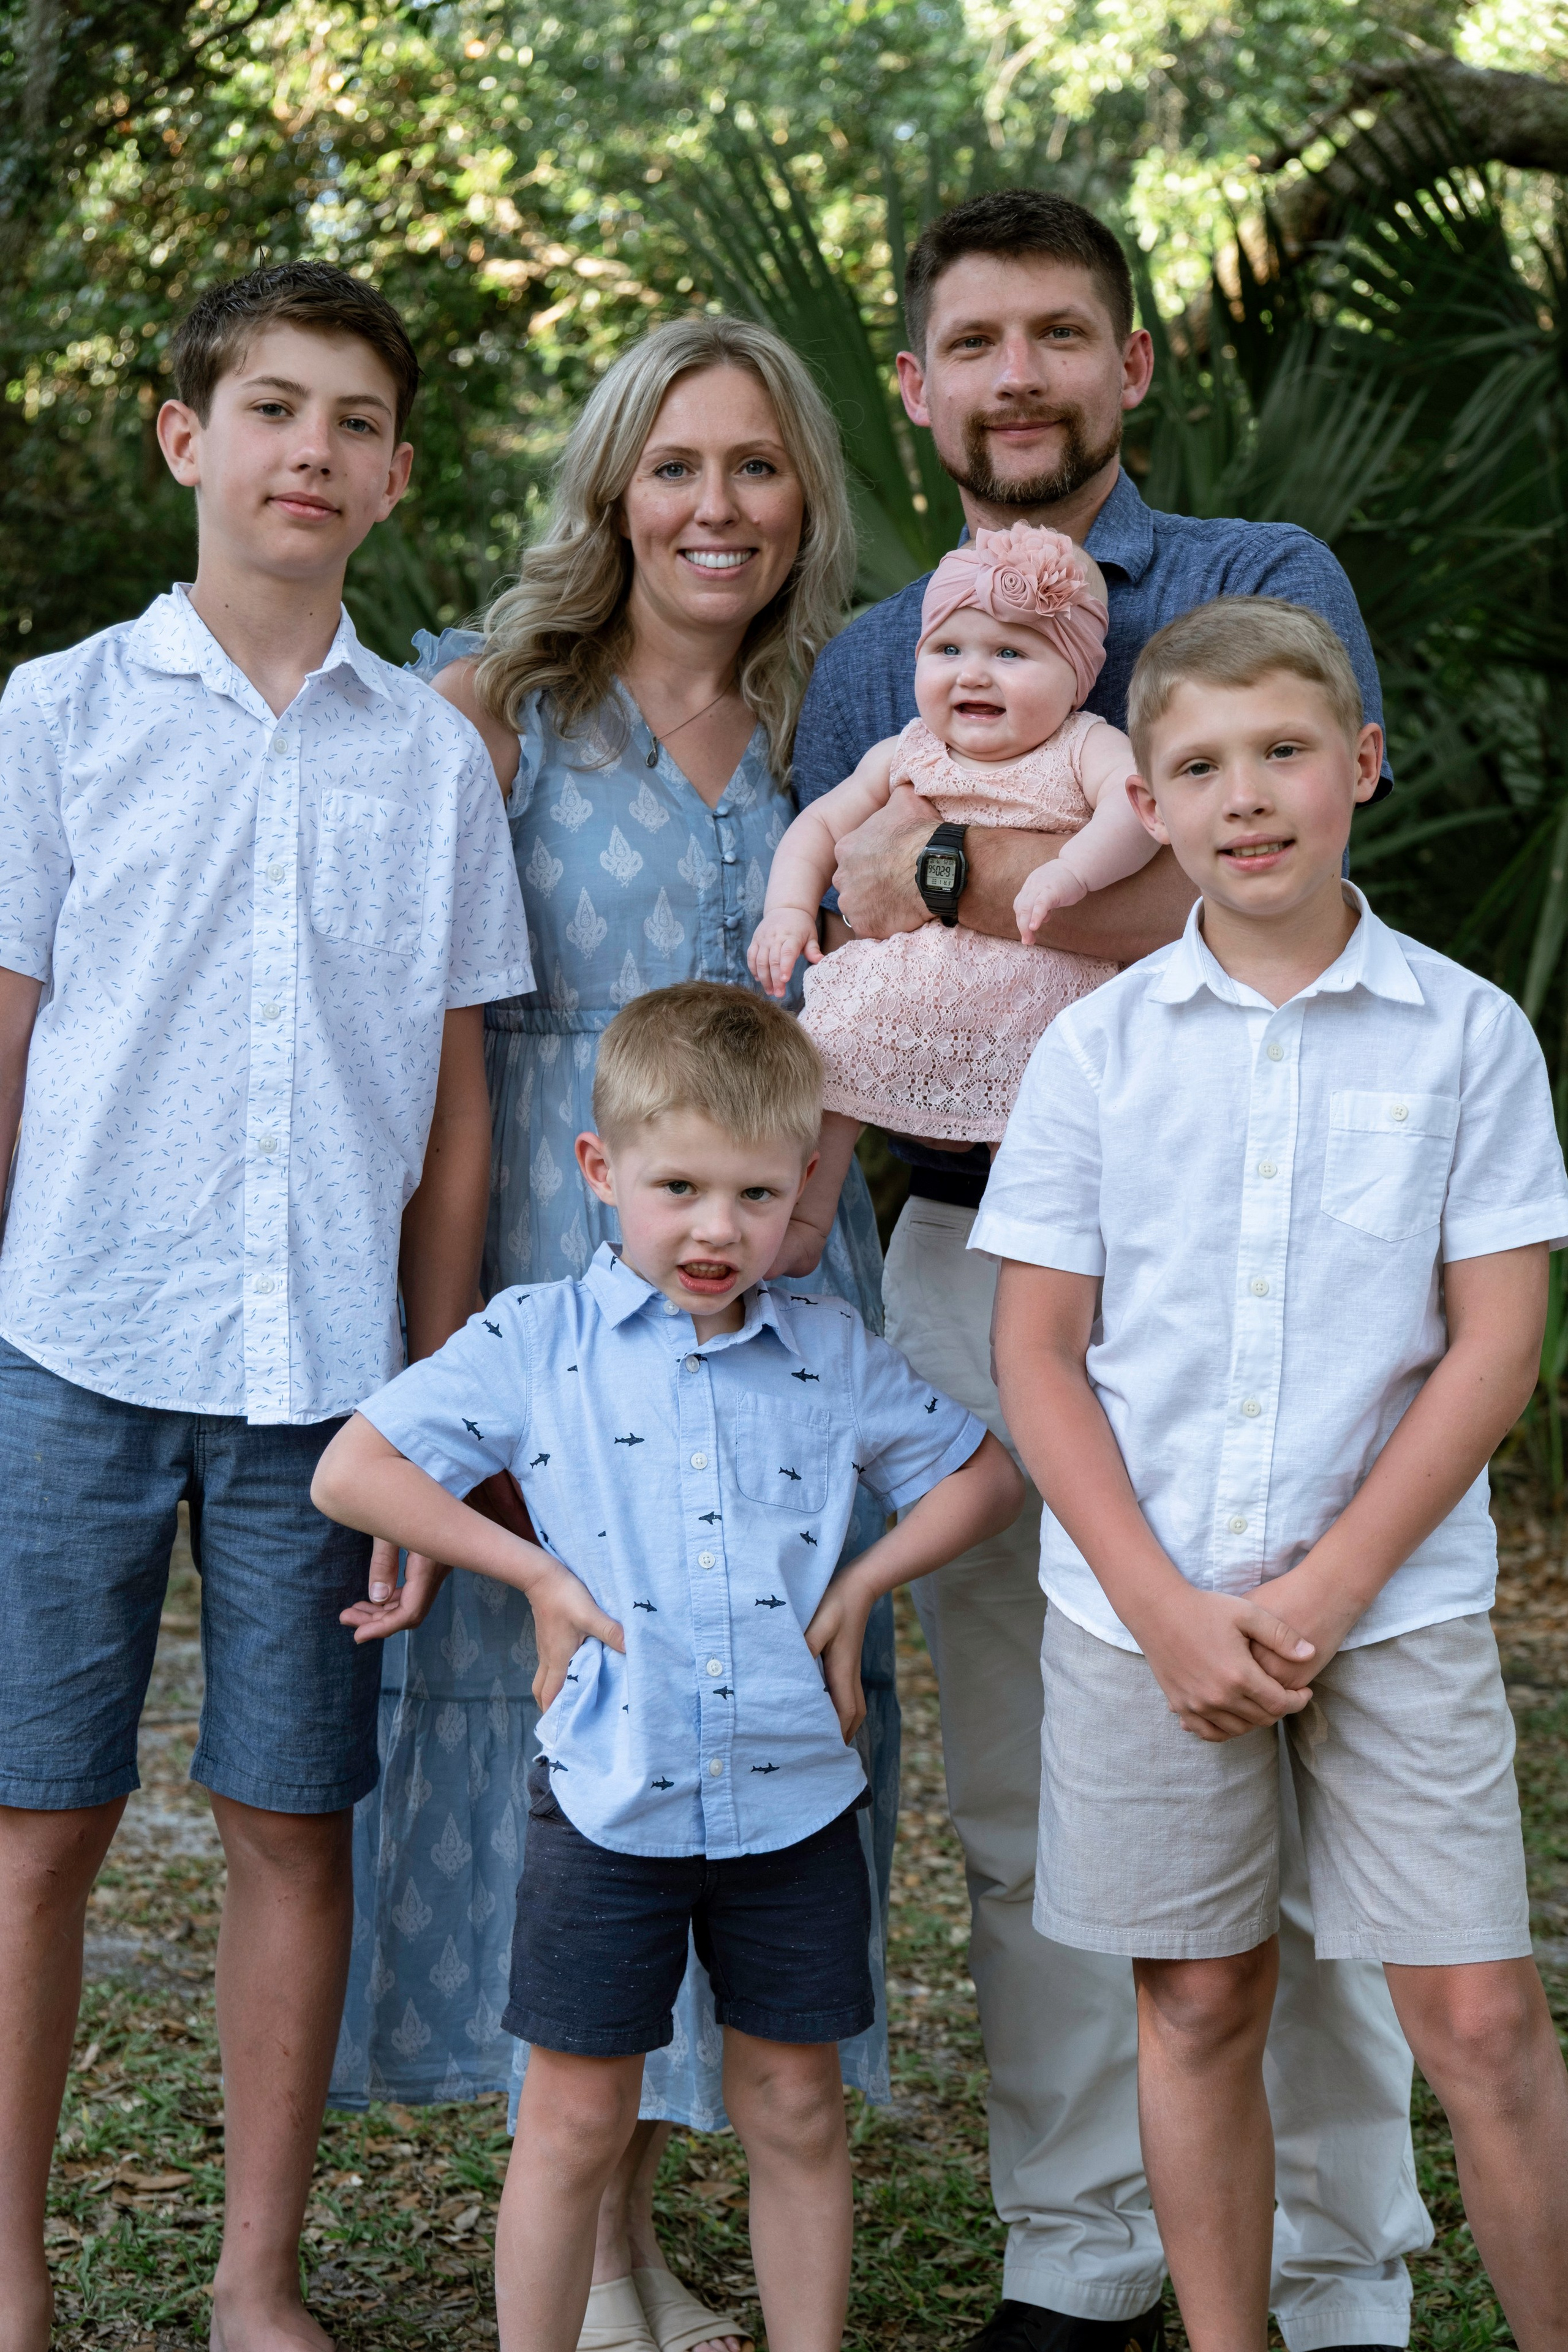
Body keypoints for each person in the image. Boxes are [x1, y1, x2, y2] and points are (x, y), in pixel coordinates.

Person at [793, 188, 1433, 2350]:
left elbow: (1270, 903)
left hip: (1270, 1266)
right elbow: (852, 976)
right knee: (1032, 1795)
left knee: (1295, 1751)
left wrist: (959, 866)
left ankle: (1341, 2270)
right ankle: (1085, 2253)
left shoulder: (1259, 584)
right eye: (973, 342)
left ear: (1133, 365)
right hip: (976, 1262)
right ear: (916, 387)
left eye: (1062, 335)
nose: (1020, 379)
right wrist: (982, 897)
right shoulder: (881, 658)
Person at [332, 314, 892, 2352]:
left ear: (804, 497)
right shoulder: (494, 710)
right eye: (678, 466)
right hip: (551, 1311)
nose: (716, 506)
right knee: (561, 1759)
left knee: (737, 1744)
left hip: (781, 1304)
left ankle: (650, 2232)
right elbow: (436, 1065)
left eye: (755, 468)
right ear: (615, 489)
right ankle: (590, 2236)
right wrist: (432, 1367)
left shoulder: (854, 731)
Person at [0, 262, 530, 2352]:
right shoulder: (54, 718)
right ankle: (14, 2282)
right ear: (183, 435)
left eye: (353, 421)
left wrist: (421, 1421)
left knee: (290, 1825)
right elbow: (14, 1039)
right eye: (272, 407)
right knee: (39, 1824)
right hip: (70, 1344)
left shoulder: (433, 763)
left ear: (395, 477)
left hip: (326, 1386)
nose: (310, 448)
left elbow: (461, 1119)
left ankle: (254, 2281)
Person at [982, 595, 1568, 2346]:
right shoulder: (1094, 1047)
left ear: (1361, 766)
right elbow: (1038, 1353)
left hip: (1388, 1606)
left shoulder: (1466, 1037)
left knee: (1475, 2019)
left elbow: (1493, 1350)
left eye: (1285, 752)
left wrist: (1321, 1592)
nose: (1247, 797)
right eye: (1199, 767)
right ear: (1145, 806)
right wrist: (1165, 1609)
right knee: (1203, 1997)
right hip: (1139, 1610)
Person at [312, 982, 1024, 2352]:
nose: (717, 1229)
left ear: (807, 1179)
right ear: (602, 1171)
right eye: (679, 1186)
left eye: (758, 1194)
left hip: (793, 1800)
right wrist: (530, 1574)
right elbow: (356, 1471)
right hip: (605, 1792)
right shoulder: (538, 1341)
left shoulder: (828, 1352)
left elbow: (980, 1480)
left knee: (795, 2106)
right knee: (575, 2115)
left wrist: (863, 1582)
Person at [749, 524, 1147, 1260]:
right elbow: (816, 827)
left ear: (1077, 675)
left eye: (1010, 653)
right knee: (825, 1074)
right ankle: (804, 1224)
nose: (973, 674)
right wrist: (787, 910)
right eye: (949, 650)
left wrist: (1069, 871)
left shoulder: (1084, 743)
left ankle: (1039, 1262)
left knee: (1033, 1133)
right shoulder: (904, 749)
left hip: (1028, 994)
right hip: (897, 990)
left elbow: (1135, 809)